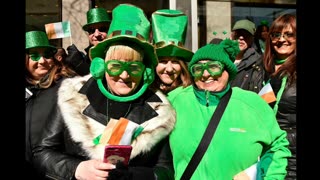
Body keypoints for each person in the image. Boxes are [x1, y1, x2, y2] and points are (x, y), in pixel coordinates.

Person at [32, 4, 175, 180]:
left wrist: (132, 175)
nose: (124, 75)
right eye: (115, 66)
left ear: (146, 72)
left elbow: (165, 171)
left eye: (134, 68)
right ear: (101, 67)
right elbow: (41, 152)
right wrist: (76, 169)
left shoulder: (159, 110)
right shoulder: (72, 96)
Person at [167, 38, 291, 179]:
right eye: (198, 69)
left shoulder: (252, 103)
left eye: (214, 67)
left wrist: (268, 176)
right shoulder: (175, 100)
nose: (206, 74)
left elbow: (278, 145)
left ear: (228, 70)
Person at [25, 31, 77, 179]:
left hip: (55, 173)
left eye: (47, 54)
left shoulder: (66, 87)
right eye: (34, 56)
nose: (42, 61)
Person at [263, 14, 296, 180]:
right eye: (276, 35)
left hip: (292, 155)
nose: (281, 40)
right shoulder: (260, 68)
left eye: (289, 34)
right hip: (264, 148)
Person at [150, 9, 193, 94]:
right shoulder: (143, 94)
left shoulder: (192, 93)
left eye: (175, 62)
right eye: (163, 61)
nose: (169, 69)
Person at [65, 7, 112, 76]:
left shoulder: (117, 53)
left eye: (102, 29)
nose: (96, 34)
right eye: (92, 30)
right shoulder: (87, 55)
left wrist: (81, 67)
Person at [229, 19, 265, 93]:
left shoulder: (258, 62)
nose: (241, 38)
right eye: (238, 34)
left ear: (252, 39)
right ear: (231, 36)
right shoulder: (219, 56)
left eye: (246, 35)